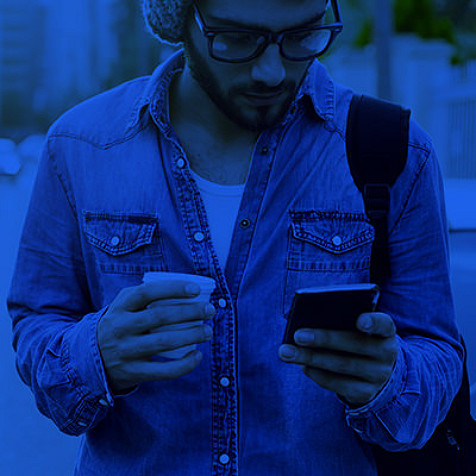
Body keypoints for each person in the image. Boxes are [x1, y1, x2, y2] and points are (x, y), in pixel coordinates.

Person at [6, 0, 464, 474]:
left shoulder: (398, 153)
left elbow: (438, 354)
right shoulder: (81, 148)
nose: (270, 72)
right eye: (238, 39)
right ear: (178, 19)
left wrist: (390, 382)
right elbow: (38, 324)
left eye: (301, 36)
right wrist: (95, 355)